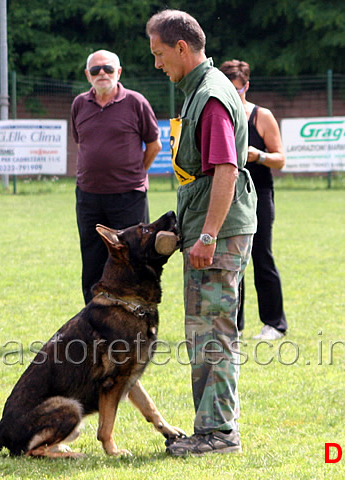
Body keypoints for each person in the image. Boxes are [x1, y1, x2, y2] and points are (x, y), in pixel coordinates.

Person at [146, 10, 257, 457]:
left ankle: (219, 434)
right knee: (206, 330)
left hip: (219, 232)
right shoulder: (198, 92)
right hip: (210, 225)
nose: (157, 64)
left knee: (213, 333)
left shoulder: (210, 96)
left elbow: (226, 169)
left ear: (181, 48)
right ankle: (212, 429)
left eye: (159, 54)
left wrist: (208, 235)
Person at [71, 49, 162, 304]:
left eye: (108, 68)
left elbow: (154, 145)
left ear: (119, 72)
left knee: (133, 259)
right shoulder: (79, 104)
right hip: (89, 197)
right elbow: (82, 144)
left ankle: (134, 320)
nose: (102, 73)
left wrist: (135, 175)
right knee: (92, 260)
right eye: (96, 69)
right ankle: (93, 319)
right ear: (87, 75)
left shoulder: (136, 102)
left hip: (128, 196)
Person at [220, 60, 288, 341]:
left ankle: (274, 323)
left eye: (237, 90)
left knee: (261, 257)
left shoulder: (261, 115)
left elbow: (280, 159)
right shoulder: (218, 114)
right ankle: (233, 325)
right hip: (227, 195)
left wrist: (257, 155)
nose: (233, 95)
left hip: (259, 194)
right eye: (228, 89)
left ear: (246, 86)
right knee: (231, 261)